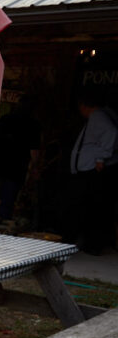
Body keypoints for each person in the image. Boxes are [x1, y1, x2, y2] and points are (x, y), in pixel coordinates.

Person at [64, 92, 118, 255]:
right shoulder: (98, 117)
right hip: (87, 167)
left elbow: (112, 133)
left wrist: (102, 156)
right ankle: (85, 241)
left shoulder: (99, 117)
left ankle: (91, 243)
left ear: (84, 106)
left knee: (90, 207)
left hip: (91, 169)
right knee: (89, 207)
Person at [0, 97, 40, 222]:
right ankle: (3, 222)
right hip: (15, 166)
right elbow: (34, 152)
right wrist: (35, 167)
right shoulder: (32, 125)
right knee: (8, 198)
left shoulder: (4, 119)